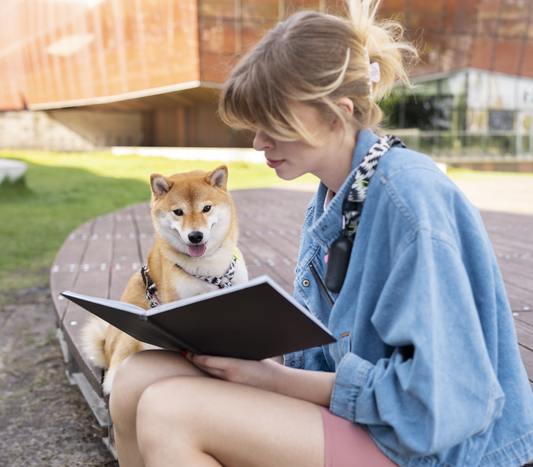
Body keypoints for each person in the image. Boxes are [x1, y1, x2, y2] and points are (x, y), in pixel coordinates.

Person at [107, 1, 533, 466]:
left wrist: (274, 381)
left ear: (337, 113)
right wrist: (257, 359)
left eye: (273, 123)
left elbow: (444, 399)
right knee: (134, 378)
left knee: (170, 411)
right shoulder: (337, 194)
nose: (258, 142)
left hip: (434, 447)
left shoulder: (410, 200)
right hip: (367, 419)